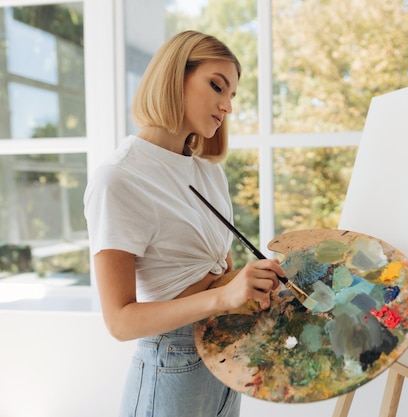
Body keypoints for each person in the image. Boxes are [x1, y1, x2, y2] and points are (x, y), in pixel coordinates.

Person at [83, 30, 285, 417]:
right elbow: (120, 321)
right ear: (175, 76)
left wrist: (250, 282)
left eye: (232, 96)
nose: (227, 105)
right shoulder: (119, 178)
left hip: (224, 361)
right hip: (170, 368)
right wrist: (225, 295)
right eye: (217, 86)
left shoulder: (209, 174)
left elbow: (216, 274)